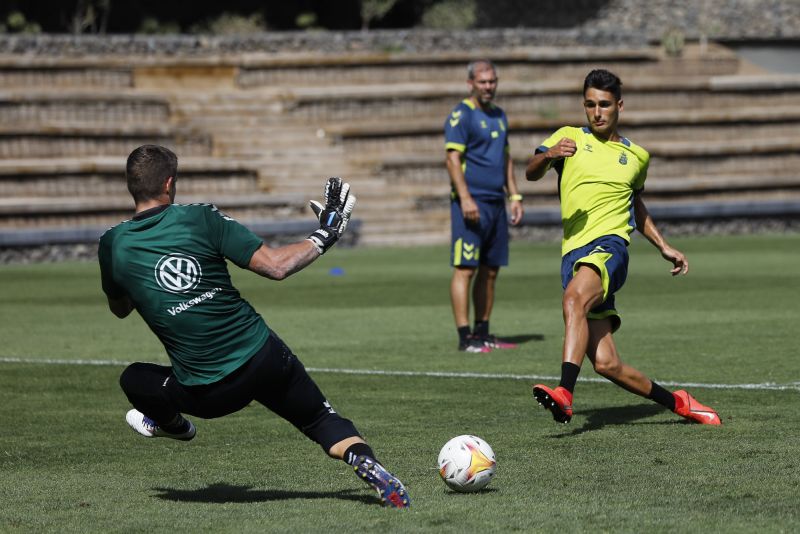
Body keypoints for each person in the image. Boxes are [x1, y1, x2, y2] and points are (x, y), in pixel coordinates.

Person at [99, 144, 411, 508]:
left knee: (134, 378)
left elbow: (120, 309)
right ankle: (364, 461)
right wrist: (326, 234)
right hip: (264, 356)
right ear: (170, 184)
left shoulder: (113, 245)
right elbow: (275, 266)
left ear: (130, 186)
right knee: (319, 420)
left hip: (210, 391)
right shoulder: (200, 217)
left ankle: (174, 427)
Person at [524, 69, 721, 425]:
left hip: (610, 247)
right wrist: (549, 153)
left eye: (604, 105)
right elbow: (532, 172)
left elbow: (636, 206)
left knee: (573, 300)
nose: (596, 112)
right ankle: (679, 402)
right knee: (606, 364)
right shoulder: (568, 137)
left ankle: (565, 393)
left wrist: (663, 245)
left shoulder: (636, 156)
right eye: (589, 104)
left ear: (619, 106)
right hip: (573, 253)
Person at [444, 59, 524, 353]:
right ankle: (466, 337)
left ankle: (483, 332)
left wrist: (514, 196)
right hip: (471, 203)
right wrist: (465, 197)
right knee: (465, 268)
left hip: (496, 203)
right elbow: (452, 159)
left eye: (492, 81)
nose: (489, 87)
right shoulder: (460, 116)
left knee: (491, 270)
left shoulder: (500, 115)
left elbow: (506, 158)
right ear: (470, 84)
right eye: (483, 82)